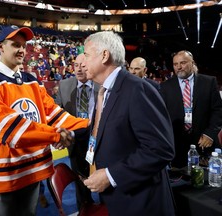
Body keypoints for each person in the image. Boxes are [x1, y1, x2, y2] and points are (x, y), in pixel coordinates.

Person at [0, 25, 89, 216]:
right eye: (15, 44)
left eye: (24, 46)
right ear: (0, 47)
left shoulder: (32, 81)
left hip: (32, 169)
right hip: (1, 174)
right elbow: (8, 129)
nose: (22, 50)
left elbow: (54, 115)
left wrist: (89, 126)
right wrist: (55, 136)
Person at [80, 31, 175, 215]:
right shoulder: (104, 91)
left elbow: (160, 148)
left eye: (86, 55)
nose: (83, 61)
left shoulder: (137, 89)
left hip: (142, 203)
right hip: (119, 199)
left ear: (104, 55)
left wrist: (111, 175)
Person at [159, 50, 222, 168]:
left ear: (192, 63)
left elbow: (218, 110)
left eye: (182, 63)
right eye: (175, 64)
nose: (178, 67)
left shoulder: (209, 82)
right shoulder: (164, 87)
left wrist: (210, 134)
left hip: (205, 143)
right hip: (177, 145)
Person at [55, 53, 99, 210]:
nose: (79, 69)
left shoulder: (101, 84)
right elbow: (56, 112)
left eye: (83, 66)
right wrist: (59, 134)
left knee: (103, 182)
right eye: (76, 66)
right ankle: (85, 207)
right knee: (81, 184)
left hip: (99, 141)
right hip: (75, 142)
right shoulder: (65, 85)